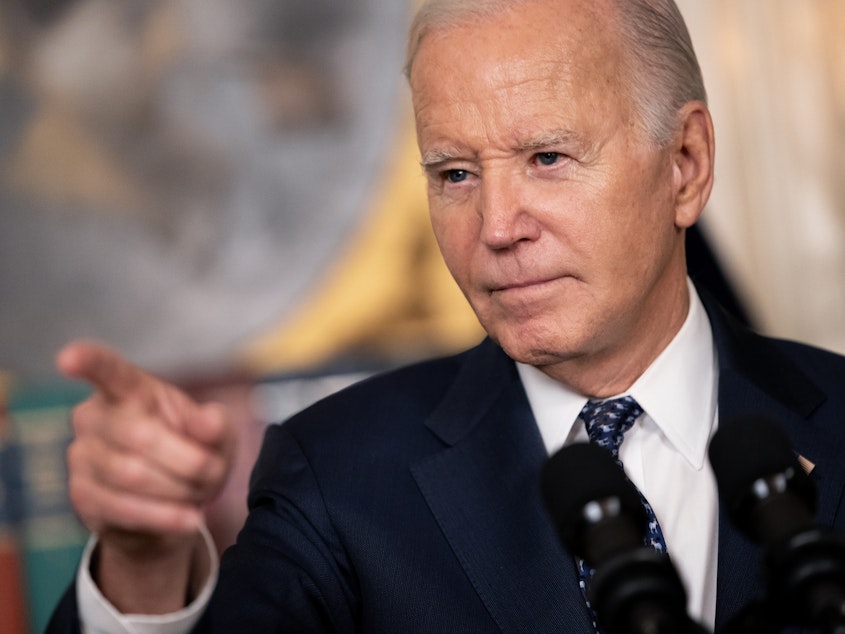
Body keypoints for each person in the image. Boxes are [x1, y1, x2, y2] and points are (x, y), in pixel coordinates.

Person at [48, 0, 845, 632]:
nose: (496, 227)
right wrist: (144, 568)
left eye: (547, 158)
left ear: (684, 165)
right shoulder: (337, 475)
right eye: (456, 174)